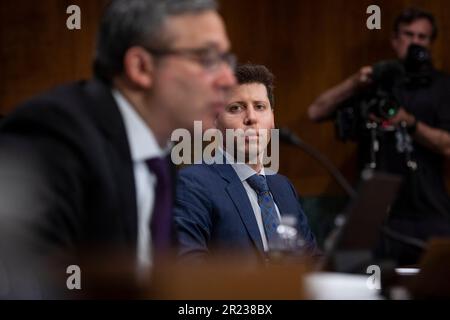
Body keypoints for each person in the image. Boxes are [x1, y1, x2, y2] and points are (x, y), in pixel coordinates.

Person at [0, 0, 236, 298]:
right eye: (207, 58)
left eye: (226, 60)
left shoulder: (159, 158)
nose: (228, 79)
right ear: (141, 67)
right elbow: (28, 285)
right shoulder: (56, 135)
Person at [308, 7, 450, 265]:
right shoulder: (377, 81)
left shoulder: (442, 87)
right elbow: (316, 111)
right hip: (378, 215)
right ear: (395, 40)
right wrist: (355, 82)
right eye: (409, 35)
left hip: (430, 212)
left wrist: (410, 122)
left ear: (431, 42)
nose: (415, 42)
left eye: (423, 37)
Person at [174, 64, 317, 263]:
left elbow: (312, 262)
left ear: (272, 119)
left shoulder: (284, 188)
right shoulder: (192, 184)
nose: (251, 118)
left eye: (260, 107)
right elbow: (189, 270)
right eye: (236, 108)